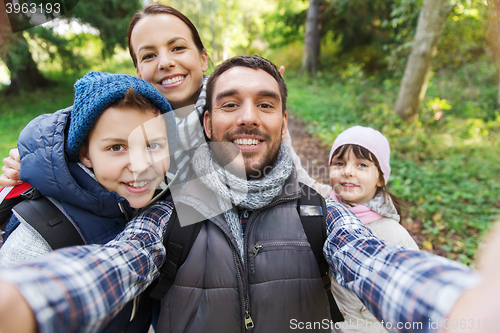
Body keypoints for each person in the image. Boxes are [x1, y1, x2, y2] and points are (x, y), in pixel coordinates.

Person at [0, 55, 487, 333]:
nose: (248, 117)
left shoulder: (318, 210)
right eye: (230, 103)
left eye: (265, 104)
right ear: (206, 121)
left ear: (283, 122)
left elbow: (375, 263)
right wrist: (25, 298)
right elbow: (117, 263)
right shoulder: (171, 209)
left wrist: (461, 305)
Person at [0, 71, 176, 332]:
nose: (141, 166)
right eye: (117, 147)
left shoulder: (145, 198)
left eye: (153, 146)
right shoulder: (37, 238)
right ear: (86, 154)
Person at [326, 126, 419, 332]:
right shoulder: (322, 213)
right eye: (339, 163)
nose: (348, 171)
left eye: (362, 165)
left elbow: (413, 299)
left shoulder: (394, 236)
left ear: (380, 178)